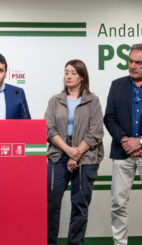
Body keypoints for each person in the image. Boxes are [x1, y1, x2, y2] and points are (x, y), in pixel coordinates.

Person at [44, 59, 104, 245]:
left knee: (80, 205)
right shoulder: (55, 100)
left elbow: (96, 132)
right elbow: (48, 129)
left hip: (86, 156)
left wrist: (76, 153)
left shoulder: (92, 100)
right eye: (66, 72)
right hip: (58, 153)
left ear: (82, 77)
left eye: (73, 73)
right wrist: (68, 150)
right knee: (51, 204)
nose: (68, 76)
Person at [104, 43, 142, 245]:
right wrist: (125, 140)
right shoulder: (117, 85)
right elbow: (109, 117)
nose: (133, 66)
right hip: (122, 151)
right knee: (118, 203)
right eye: (131, 61)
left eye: (138, 63)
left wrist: (140, 142)